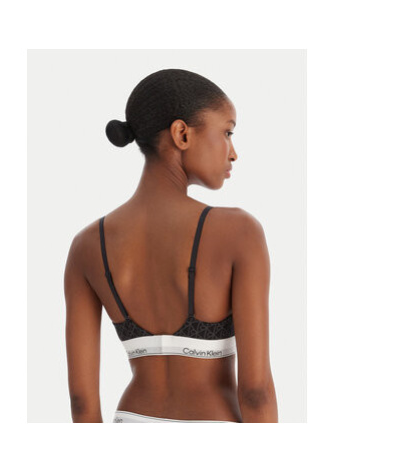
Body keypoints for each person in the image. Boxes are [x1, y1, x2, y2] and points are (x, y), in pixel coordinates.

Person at [64, 68, 278, 423]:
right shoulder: (239, 232)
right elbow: (256, 391)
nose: (233, 153)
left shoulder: (87, 244)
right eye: (227, 132)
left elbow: (81, 402)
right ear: (182, 134)